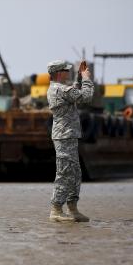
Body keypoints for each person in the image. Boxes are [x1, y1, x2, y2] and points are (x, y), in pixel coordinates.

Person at [47, 60, 94, 222]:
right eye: (66, 71)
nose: (68, 73)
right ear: (59, 73)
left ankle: (72, 208)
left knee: (75, 173)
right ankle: (56, 209)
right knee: (65, 173)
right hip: (64, 136)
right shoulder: (59, 89)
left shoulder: (59, 89)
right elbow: (86, 97)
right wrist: (87, 79)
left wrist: (79, 79)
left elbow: (72, 92)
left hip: (68, 135)